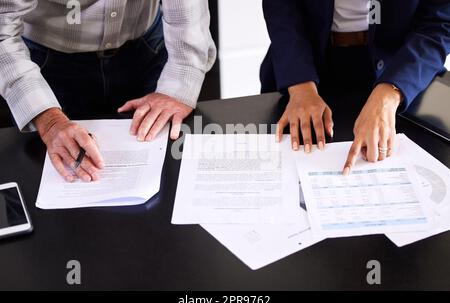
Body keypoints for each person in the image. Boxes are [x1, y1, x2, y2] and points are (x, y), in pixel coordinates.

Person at [0, 0, 216, 182]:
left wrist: (179, 82)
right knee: (63, 184)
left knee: (169, 177)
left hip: (147, 50)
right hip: (48, 65)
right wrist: (50, 122)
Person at [260, 0, 450, 175]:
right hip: (302, 64)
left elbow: (439, 23)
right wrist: (300, 85)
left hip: (402, 69)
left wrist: (391, 92)